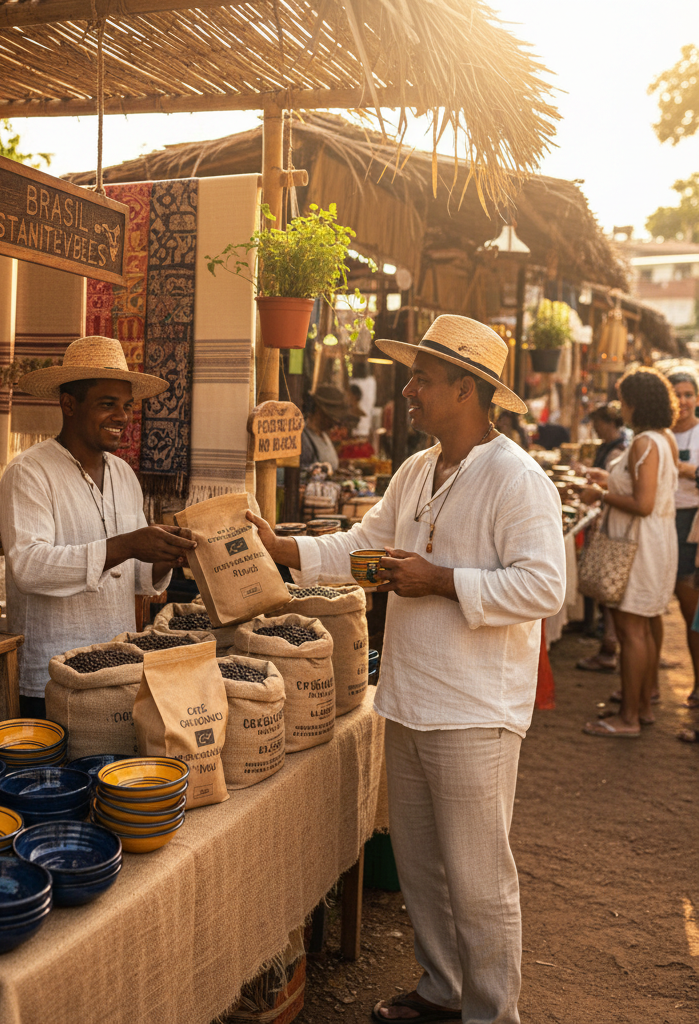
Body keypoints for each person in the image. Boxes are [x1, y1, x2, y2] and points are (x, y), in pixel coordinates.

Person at [248, 315, 565, 1024]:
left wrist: (443, 580)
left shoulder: (517, 478)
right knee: (422, 865)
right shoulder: (420, 468)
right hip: (414, 694)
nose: (409, 390)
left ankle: (490, 1013)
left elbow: (546, 588)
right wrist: (282, 549)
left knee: (480, 881)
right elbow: (369, 544)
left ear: (466, 389)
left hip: (477, 709)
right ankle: (441, 989)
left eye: (423, 378)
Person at [0, 336, 196, 718]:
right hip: (51, 676)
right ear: (69, 404)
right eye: (107, 405)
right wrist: (126, 544)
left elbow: (136, 578)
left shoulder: (123, 475)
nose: (122, 417)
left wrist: (167, 555)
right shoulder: (29, 472)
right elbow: (29, 567)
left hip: (118, 667)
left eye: (126, 406)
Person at [579, 367, 679, 737]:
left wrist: (600, 494)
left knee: (631, 629)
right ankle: (642, 705)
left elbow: (643, 502)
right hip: (654, 540)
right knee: (645, 626)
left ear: (635, 403)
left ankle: (629, 718)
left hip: (637, 544)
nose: (619, 406)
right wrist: (608, 480)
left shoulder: (643, 443)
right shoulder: (663, 438)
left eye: (623, 399)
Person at [575, 402, 631, 673]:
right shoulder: (618, 446)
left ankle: (609, 645)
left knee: (609, 589)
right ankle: (608, 642)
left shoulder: (625, 447)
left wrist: (598, 491)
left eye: (597, 421)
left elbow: (637, 496)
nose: (595, 426)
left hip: (616, 528)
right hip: (612, 523)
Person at [667, 371, 699, 709]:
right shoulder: (659, 434)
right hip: (660, 521)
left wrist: (689, 471)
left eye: (689, 394)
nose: (683, 401)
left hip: (691, 525)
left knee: (691, 610)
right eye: (676, 394)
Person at [300, 383, 347, 473]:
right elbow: (303, 473)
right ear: (320, 412)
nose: (334, 423)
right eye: (331, 417)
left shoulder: (324, 436)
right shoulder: (305, 439)